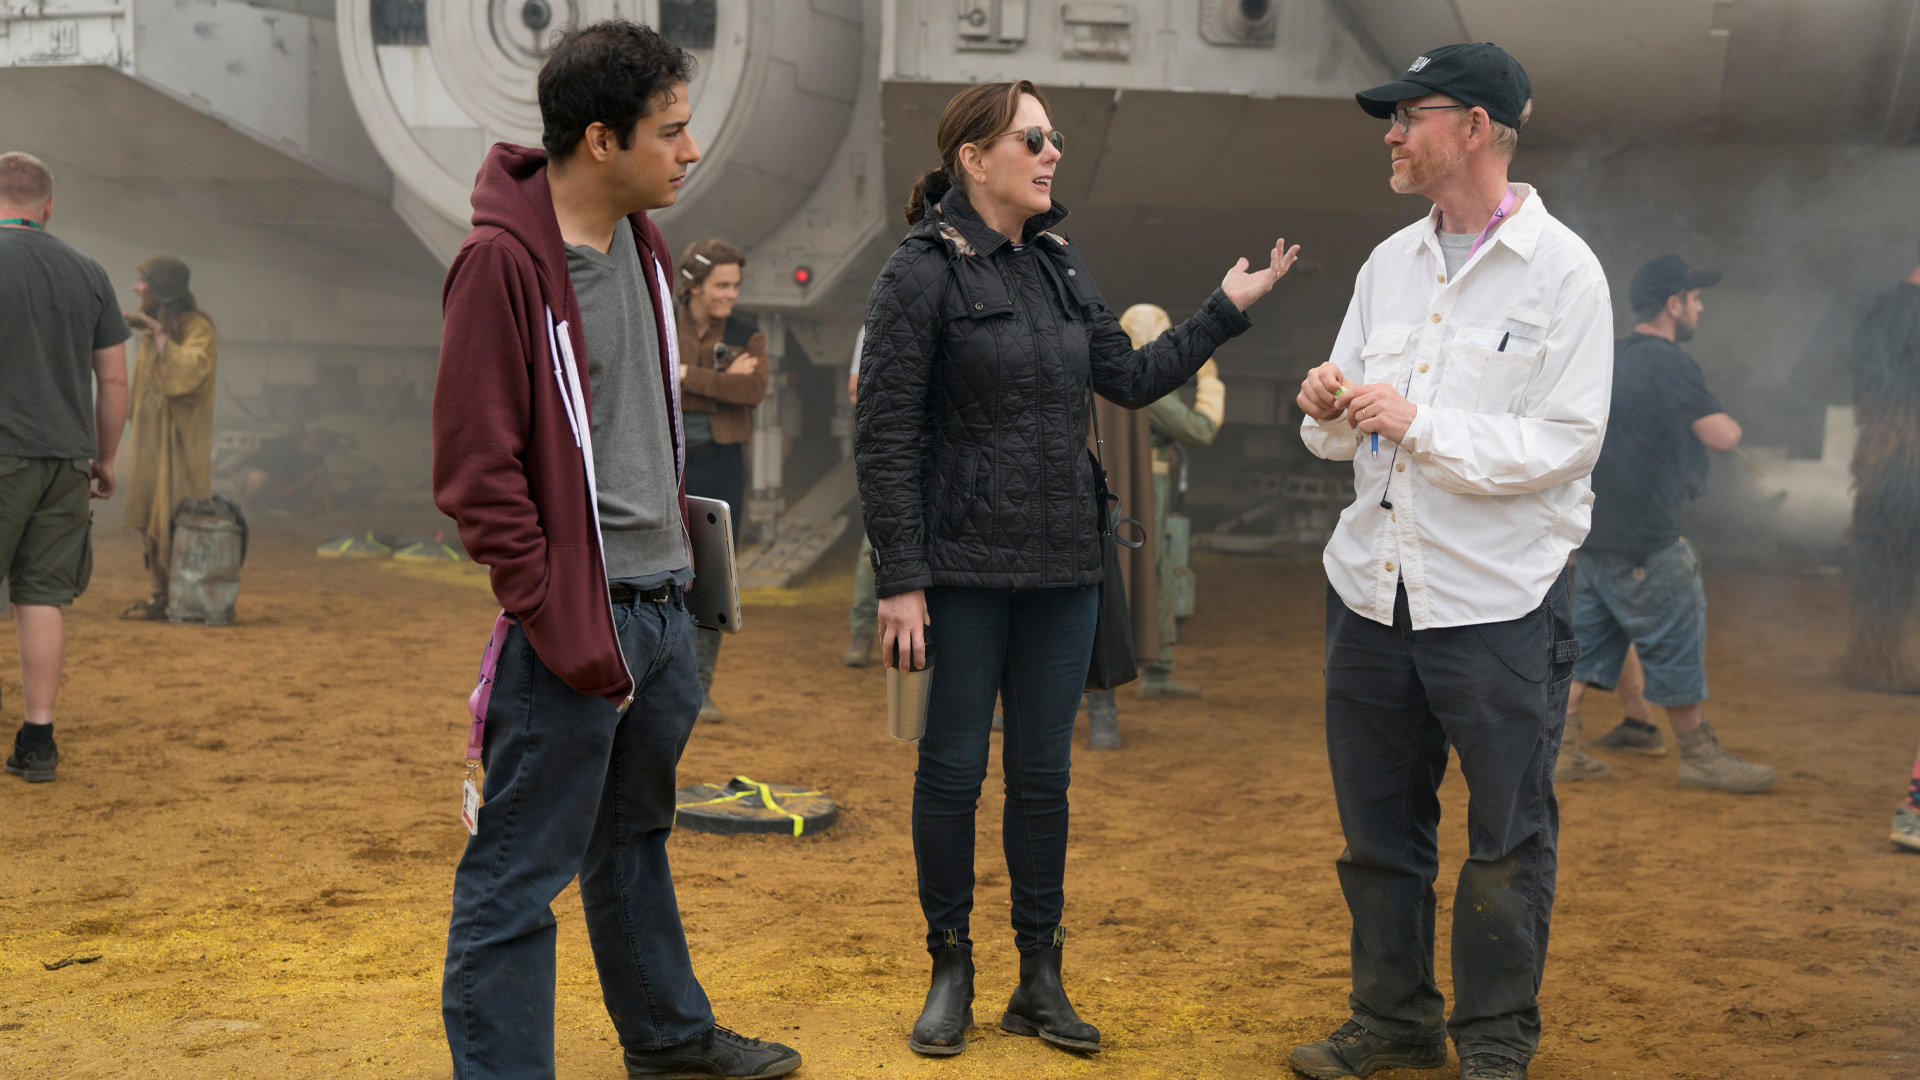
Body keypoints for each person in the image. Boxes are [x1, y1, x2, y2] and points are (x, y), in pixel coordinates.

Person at [857, 78, 1297, 1058]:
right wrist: (900, 578)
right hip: (964, 571)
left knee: (1043, 782)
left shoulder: (1059, 264)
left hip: (1063, 571)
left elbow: (1130, 378)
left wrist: (1225, 308)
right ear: (975, 158)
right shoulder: (919, 272)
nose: (1052, 153)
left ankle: (1038, 979)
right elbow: (884, 437)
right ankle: (949, 970)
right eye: (1033, 139)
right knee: (952, 772)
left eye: (1052, 138)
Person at [430, 22, 799, 1080]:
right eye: (671, 132)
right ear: (600, 138)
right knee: (515, 873)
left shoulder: (638, 244)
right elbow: (475, 474)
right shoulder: (499, 266)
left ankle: (670, 1041)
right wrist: (554, 611)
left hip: (662, 608)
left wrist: (677, 588)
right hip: (576, 624)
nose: (691, 153)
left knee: (632, 833)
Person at [1292, 44, 1609, 1080]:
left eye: (1407, 115)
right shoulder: (1391, 264)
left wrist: (1420, 424)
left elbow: (1566, 442)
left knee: (1506, 834)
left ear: (1475, 126)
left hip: (1498, 604)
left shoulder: (1565, 273)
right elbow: (1344, 439)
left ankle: (1495, 1039)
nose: (1389, 132)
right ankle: (1393, 1018)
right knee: (1377, 830)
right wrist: (1328, 411)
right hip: (1371, 589)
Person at [1561, 256, 1775, 792]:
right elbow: (1721, 436)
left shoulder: (1607, 358)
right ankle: (1701, 758)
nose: (1701, 307)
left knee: (1579, 648)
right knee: (1677, 639)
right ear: (1673, 305)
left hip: (1598, 534)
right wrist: (1732, 424)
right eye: (1696, 299)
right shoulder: (1671, 362)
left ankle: (1559, 750)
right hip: (1649, 540)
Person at [0, 151, 128, 785]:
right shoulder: (88, 271)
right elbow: (113, 376)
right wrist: (103, 457)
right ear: (47, 208)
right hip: (66, 459)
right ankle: (39, 740)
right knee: (41, 597)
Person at [674, 238, 769, 720]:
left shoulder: (747, 332)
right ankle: (657, 679)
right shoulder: (661, 321)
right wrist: (718, 380)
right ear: (694, 285)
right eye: (722, 285)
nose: (732, 294)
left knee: (712, 576)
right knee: (664, 569)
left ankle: (699, 688)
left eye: (736, 285)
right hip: (668, 464)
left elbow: (751, 390)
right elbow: (654, 378)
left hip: (722, 466)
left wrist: (687, 374)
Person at [1123, 302, 1227, 699]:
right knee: (1153, 569)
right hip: (1147, 486)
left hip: (1133, 483)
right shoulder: (1141, 381)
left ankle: (1157, 667)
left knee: (1153, 569)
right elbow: (1200, 430)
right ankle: (1153, 669)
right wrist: (1209, 377)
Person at [119, 256, 217, 620]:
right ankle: (159, 595)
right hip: (150, 446)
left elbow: (194, 370)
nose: (136, 287)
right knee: (150, 519)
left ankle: (186, 596)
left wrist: (158, 335)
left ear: (161, 289)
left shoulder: (197, 327)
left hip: (180, 448)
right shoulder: (154, 328)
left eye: (142, 281)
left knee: (177, 517)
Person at [1843, 249, 1920, 691]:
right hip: (1907, 453)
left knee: (1883, 558)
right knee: (1894, 557)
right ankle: (1884, 662)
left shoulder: (1877, 310)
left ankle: (1875, 656)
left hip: (1878, 450)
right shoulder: (1910, 313)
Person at [846, 327, 879, 667]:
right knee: (874, 543)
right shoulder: (876, 320)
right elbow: (856, 389)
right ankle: (862, 630)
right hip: (895, 447)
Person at [240, 424, 341, 514]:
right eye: (325, 451)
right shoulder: (285, 449)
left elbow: (324, 485)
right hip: (254, 477)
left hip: (281, 488)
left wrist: (330, 511)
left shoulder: (315, 456)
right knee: (259, 479)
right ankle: (249, 505)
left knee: (311, 506)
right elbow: (276, 492)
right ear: (317, 447)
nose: (324, 455)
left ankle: (267, 505)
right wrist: (302, 482)